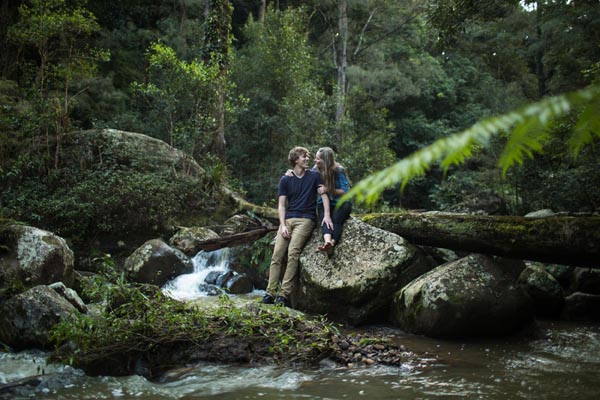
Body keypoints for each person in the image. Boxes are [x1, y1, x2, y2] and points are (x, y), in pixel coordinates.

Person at [262, 146, 333, 307]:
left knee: (293, 252)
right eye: (304, 156)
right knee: (277, 255)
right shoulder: (285, 179)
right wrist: (282, 226)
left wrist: (327, 215)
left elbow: (324, 195)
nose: (307, 159)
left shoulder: (314, 176)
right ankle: (269, 293)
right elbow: (281, 205)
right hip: (288, 220)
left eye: (308, 156)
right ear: (295, 160)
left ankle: (283, 294)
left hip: (306, 219)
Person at [313, 147, 352, 254]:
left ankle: (332, 243)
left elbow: (345, 191)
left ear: (326, 161)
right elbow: (303, 174)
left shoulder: (338, 170)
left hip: (341, 202)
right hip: (325, 203)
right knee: (325, 219)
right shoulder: (315, 169)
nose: (315, 161)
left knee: (336, 219)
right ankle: (327, 241)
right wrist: (290, 172)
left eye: (318, 159)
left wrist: (328, 189)